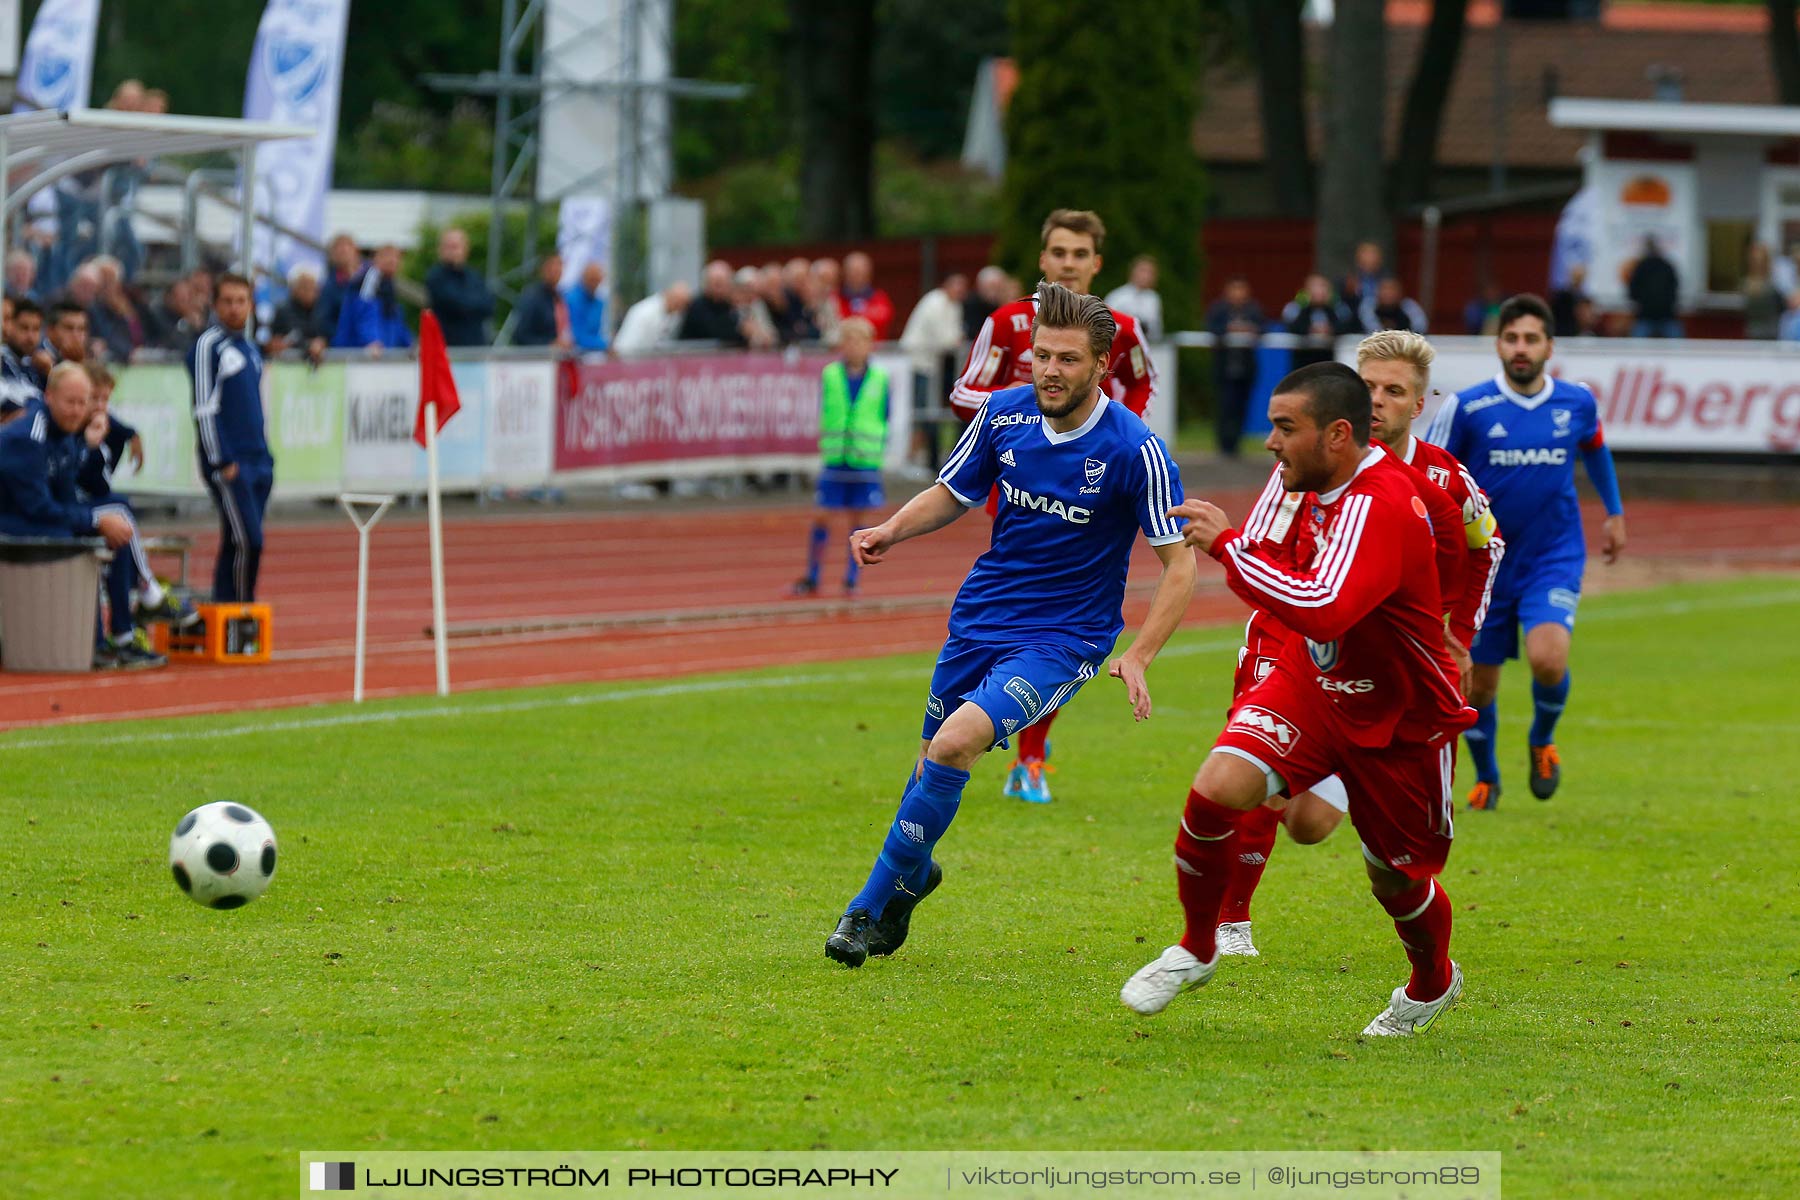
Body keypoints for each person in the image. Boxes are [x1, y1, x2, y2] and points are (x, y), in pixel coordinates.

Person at [823, 282, 1197, 967]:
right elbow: (953, 492)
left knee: (953, 744)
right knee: (929, 763)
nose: (1049, 370)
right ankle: (913, 880)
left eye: (1067, 360)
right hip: (981, 617)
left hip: (1064, 639)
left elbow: (1179, 564)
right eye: (1041, 357)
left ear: (1100, 365)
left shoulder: (1133, 448)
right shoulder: (1002, 414)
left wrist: (1139, 653)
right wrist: (892, 529)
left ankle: (864, 908)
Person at [1122, 361, 1471, 1037]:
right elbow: (1281, 576)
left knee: (1395, 880)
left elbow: (1323, 606)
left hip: (1402, 715)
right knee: (1218, 786)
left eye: (1286, 427)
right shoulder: (1308, 486)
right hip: (1317, 684)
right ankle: (1197, 947)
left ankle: (1432, 983)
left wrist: (1226, 544)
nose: (1270, 442)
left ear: (1337, 435)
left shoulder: (1382, 503)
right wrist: (1243, 549)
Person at [1212, 332, 1503, 958]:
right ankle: (1230, 921)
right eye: (1367, 386)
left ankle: (1422, 940)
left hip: (1386, 673)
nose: (1377, 402)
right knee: (1258, 772)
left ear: (1417, 405)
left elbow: (1487, 545)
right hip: (1292, 638)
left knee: (1311, 826)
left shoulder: (1444, 479)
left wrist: (1459, 633)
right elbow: (1261, 547)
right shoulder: (1303, 465)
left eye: (1393, 391)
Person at [947, 208, 1161, 805]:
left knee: (1055, 623)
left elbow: (1142, 382)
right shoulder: (1009, 321)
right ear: (1043, 260)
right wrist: (1022, 406)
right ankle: (986, 737)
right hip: (1020, 478)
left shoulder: (1121, 327)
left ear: (1097, 263)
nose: (1069, 263)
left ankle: (1030, 757)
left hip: (1094, 479)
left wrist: (1115, 424)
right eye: (1059, 253)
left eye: (1080, 255)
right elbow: (965, 388)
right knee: (1024, 614)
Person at [1425, 293, 1625, 810]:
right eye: (1512, 338)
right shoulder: (1467, 407)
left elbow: (1597, 450)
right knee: (1480, 688)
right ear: (1498, 345)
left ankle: (1542, 740)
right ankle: (1488, 777)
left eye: (1531, 339)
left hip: (1552, 556)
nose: (1521, 348)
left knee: (1548, 661)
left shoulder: (1576, 402)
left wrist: (1615, 513)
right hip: (1485, 565)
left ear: (1549, 347)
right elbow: (1432, 477)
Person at [0, 363, 162, 668]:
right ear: (49, 396)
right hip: (11, 521)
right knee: (77, 536)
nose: (77, 411)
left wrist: (100, 522)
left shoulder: (67, 434)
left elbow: (67, 496)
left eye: (82, 403)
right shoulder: (29, 437)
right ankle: (94, 640)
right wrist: (94, 521)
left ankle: (124, 635)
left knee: (117, 522)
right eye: (70, 402)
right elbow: (37, 508)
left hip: (33, 517)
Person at [76, 361, 198, 632]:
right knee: (119, 509)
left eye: (105, 399)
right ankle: (147, 590)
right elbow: (92, 483)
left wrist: (130, 434)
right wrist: (91, 446)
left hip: (82, 505)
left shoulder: (102, 430)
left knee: (119, 529)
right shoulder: (74, 433)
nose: (99, 406)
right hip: (65, 509)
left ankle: (125, 630)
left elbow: (99, 482)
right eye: (93, 398)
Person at [187, 273, 274, 603]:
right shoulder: (209, 345)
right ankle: (240, 610)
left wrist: (266, 457)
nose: (235, 308)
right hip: (231, 462)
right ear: (215, 305)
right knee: (249, 541)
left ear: (251, 305)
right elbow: (204, 408)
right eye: (228, 301)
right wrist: (220, 460)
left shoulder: (250, 349)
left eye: (242, 301)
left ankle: (225, 606)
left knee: (237, 539)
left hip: (258, 460)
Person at [792, 318, 888, 597]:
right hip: (835, 458)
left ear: (869, 345)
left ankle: (851, 578)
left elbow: (885, 414)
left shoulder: (880, 378)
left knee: (860, 523)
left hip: (865, 460)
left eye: (860, 341)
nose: (855, 347)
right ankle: (813, 575)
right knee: (822, 516)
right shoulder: (830, 375)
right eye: (849, 341)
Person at [898, 273, 967, 473]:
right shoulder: (935, 303)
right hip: (918, 364)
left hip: (930, 366)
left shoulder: (951, 305)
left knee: (927, 412)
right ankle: (921, 459)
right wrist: (957, 340)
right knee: (922, 413)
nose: (960, 293)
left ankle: (927, 459)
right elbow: (947, 339)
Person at [1205, 276, 1264, 458]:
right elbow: (1211, 328)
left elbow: (1263, 327)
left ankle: (1236, 443)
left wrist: (1250, 331)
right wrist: (1228, 330)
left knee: (1242, 406)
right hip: (1225, 368)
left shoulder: (1253, 310)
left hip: (1246, 369)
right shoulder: (1219, 309)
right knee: (1224, 406)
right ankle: (1223, 445)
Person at [424, 228, 495, 347]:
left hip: (476, 348)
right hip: (447, 348)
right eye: (449, 247)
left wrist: (467, 303)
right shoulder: (436, 277)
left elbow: (489, 306)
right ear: (440, 249)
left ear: (466, 249)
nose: (453, 251)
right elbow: (454, 304)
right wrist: (473, 304)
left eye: (456, 246)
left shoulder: (474, 276)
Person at [334, 244, 413, 352]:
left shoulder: (389, 285)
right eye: (388, 256)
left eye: (396, 257)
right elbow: (364, 314)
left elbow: (397, 322)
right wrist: (371, 341)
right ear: (377, 259)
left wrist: (411, 344)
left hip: (383, 353)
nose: (392, 261)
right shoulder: (369, 279)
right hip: (356, 354)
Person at [1282, 274, 1356, 366]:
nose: (1319, 291)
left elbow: (1347, 326)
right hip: (1302, 360)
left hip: (1328, 361)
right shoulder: (1295, 307)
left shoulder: (1337, 308)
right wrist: (1310, 329)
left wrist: (1330, 329)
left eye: (1323, 286)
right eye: (1315, 287)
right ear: (1306, 289)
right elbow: (1292, 327)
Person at [266, 265, 331, 363]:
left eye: (313, 286)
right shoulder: (283, 312)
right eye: (305, 286)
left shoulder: (323, 310)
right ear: (293, 288)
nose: (310, 291)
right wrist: (309, 345)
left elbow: (329, 334)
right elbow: (285, 340)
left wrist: (323, 342)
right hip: (287, 367)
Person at [677, 261, 748, 347]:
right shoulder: (696, 307)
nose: (720, 288)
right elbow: (716, 335)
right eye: (716, 283)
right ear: (706, 284)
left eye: (724, 283)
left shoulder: (734, 306)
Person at [612, 281, 692, 357]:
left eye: (684, 305)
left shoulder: (675, 314)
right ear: (668, 294)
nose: (680, 308)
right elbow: (625, 348)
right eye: (679, 302)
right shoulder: (644, 312)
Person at [511, 254, 571, 350]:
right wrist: (548, 344)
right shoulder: (532, 297)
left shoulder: (558, 297)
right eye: (552, 267)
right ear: (543, 270)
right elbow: (520, 335)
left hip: (556, 358)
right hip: (536, 359)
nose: (557, 270)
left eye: (559, 266)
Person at [1, 298, 47, 418]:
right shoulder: (2, 360)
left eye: (36, 329)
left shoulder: (37, 366)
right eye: (24, 328)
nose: (30, 337)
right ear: (10, 325)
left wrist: (49, 374)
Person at [1627, 237, 1681, 338]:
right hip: (1665, 314)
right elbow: (1675, 288)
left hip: (1648, 314)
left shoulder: (1640, 267)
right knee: (1678, 345)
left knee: (1636, 345)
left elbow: (1632, 291)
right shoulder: (1667, 266)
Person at [836, 252, 895, 341]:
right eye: (852, 271)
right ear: (844, 272)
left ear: (869, 272)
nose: (856, 275)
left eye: (860, 271)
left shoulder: (880, 298)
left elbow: (882, 320)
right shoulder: (834, 298)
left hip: (875, 350)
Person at [1105, 255, 1164, 341]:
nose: (1146, 276)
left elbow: (1156, 330)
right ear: (1133, 271)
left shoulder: (1153, 299)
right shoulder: (1118, 296)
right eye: (1143, 271)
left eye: (1150, 272)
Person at [316, 233, 363, 337]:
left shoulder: (369, 279)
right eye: (339, 251)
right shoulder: (328, 288)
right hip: (344, 347)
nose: (343, 253)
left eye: (346, 250)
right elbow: (324, 321)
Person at [563, 262, 609, 353]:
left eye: (597, 280)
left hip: (593, 354)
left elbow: (597, 332)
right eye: (591, 279)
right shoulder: (572, 299)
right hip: (574, 354)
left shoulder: (599, 303)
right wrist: (605, 345)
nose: (594, 284)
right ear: (583, 279)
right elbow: (577, 336)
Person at [1741, 243, 1783, 341]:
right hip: (1752, 331)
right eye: (1754, 260)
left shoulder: (1775, 281)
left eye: (1760, 260)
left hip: (1771, 332)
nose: (1757, 263)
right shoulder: (1746, 283)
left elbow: (1782, 305)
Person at [1358, 275, 1428, 334]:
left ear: (1400, 291)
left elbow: (1419, 328)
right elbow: (1372, 330)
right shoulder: (1368, 306)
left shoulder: (1409, 306)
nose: (1388, 293)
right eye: (1384, 289)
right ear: (1377, 291)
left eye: (1392, 289)